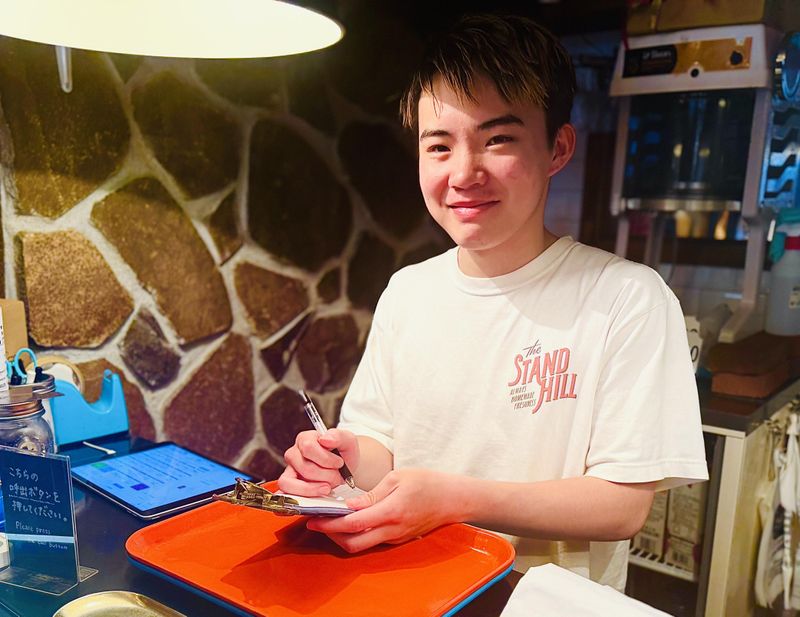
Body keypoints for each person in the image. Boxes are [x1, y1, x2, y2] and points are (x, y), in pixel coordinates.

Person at [279, 13, 708, 590]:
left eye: (497, 139)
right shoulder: (408, 291)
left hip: (544, 600)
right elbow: (383, 449)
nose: (463, 173)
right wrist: (343, 458)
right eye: (439, 146)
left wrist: (455, 500)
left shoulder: (627, 297)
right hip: (416, 588)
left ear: (557, 148)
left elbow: (622, 505)